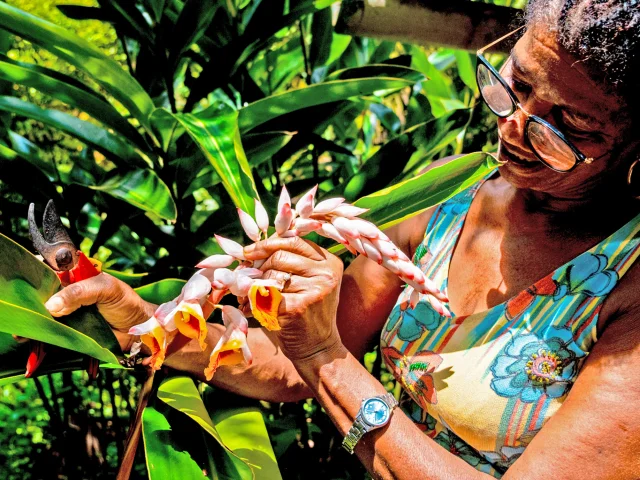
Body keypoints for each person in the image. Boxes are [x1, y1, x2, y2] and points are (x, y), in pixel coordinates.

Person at [43, 0, 640, 477]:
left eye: (568, 124)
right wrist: (153, 322)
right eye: (516, 82)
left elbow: (320, 358)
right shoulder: (454, 194)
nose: (513, 126)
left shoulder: (629, 289)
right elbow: (289, 363)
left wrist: (325, 357)